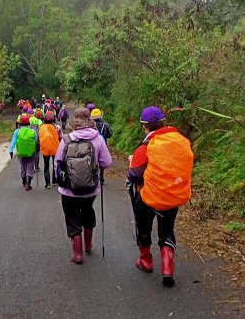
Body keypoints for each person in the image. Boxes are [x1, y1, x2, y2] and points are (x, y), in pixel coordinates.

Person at [127, 105, 194, 287]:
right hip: (173, 196)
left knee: (144, 227)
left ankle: (146, 260)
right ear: (163, 122)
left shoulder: (147, 145)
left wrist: (132, 161)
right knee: (167, 230)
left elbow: (133, 174)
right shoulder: (182, 141)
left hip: (149, 196)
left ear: (145, 126)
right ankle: (167, 269)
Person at [55, 107, 112, 264]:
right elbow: (106, 162)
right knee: (87, 212)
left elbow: (57, 163)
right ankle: (88, 245)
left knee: (72, 217)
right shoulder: (98, 139)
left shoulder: (66, 139)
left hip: (68, 189)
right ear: (90, 122)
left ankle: (77, 254)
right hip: (90, 188)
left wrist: (61, 179)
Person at [9, 114, 39, 190]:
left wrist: (11, 150)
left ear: (20, 123)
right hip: (31, 153)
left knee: (23, 167)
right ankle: (28, 183)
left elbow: (13, 142)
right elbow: (36, 141)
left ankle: (24, 180)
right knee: (30, 167)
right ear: (29, 123)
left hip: (21, 153)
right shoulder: (32, 131)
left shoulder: (17, 132)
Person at [39, 111, 60, 189]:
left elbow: (39, 137)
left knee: (46, 166)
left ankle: (47, 184)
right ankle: (54, 180)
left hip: (45, 148)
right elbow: (59, 137)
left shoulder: (41, 127)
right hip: (55, 148)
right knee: (55, 165)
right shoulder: (56, 127)